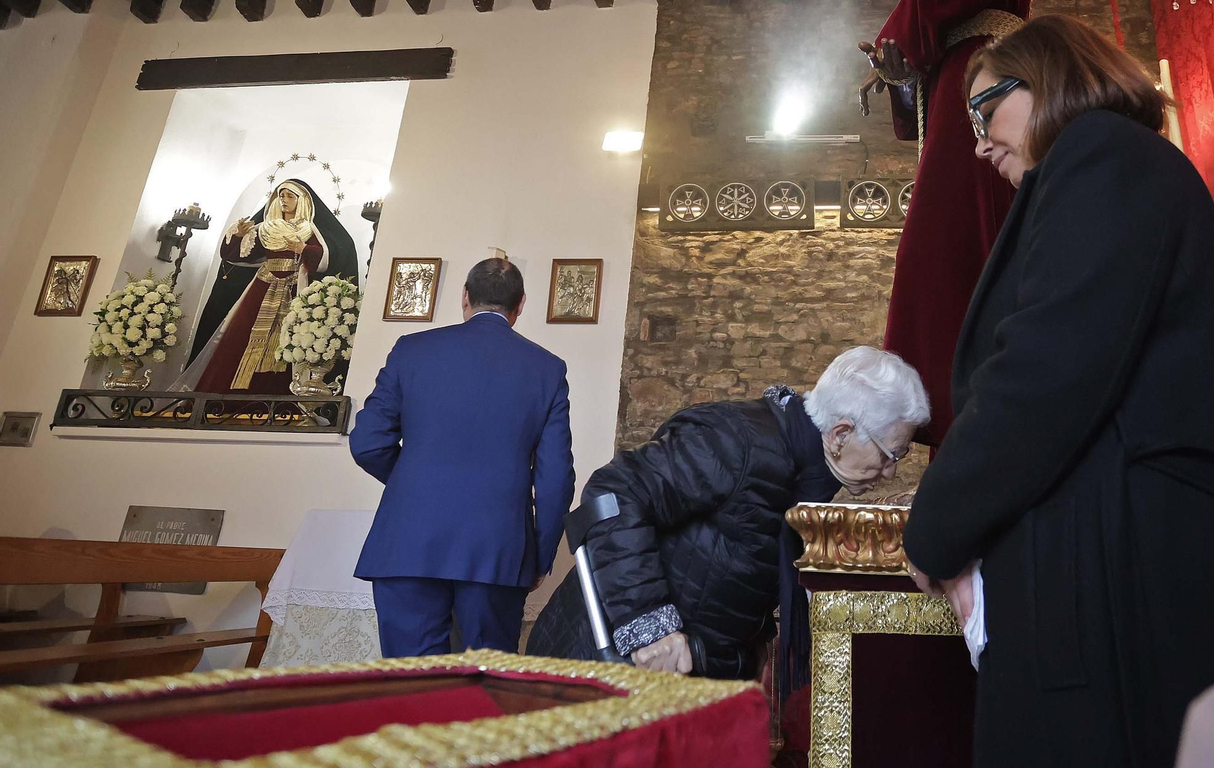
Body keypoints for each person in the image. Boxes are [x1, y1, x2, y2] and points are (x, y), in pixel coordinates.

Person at [902, 15, 1214, 768]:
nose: (978, 141)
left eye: (984, 109)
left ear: (1048, 79)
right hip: (1111, 547)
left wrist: (934, 526)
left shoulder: (1101, 154)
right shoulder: (1109, 169)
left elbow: (1044, 369)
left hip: (1131, 563)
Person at [526, 346, 928, 694]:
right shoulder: (737, 441)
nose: (891, 471)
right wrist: (650, 628)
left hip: (693, 679)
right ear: (840, 434)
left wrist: (749, 656)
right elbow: (616, 492)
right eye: (891, 454)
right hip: (598, 665)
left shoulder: (807, 472)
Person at [842, 0, 1033, 448]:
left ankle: (1008, 386)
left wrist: (901, 33)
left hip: (994, 78)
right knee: (935, 246)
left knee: (984, 226)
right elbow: (925, 28)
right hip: (953, 87)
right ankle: (955, 405)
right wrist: (898, 73)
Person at [351, 258, 575, 657]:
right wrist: (540, 556)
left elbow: (367, 442)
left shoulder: (412, 350)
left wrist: (413, 482)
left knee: (412, 678)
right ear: (520, 304)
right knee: (484, 682)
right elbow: (556, 478)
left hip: (408, 539)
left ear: (465, 298)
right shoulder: (547, 368)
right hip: (498, 546)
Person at [177, 179, 359, 394]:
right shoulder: (266, 227)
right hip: (263, 284)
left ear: (302, 201)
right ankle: (229, 394)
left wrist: (304, 248)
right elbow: (237, 256)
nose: (284, 200)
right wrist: (238, 235)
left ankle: (282, 395)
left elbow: (331, 257)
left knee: (291, 335)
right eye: (281, 195)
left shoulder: (311, 229)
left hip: (296, 287)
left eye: (290, 196)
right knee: (241, 335)